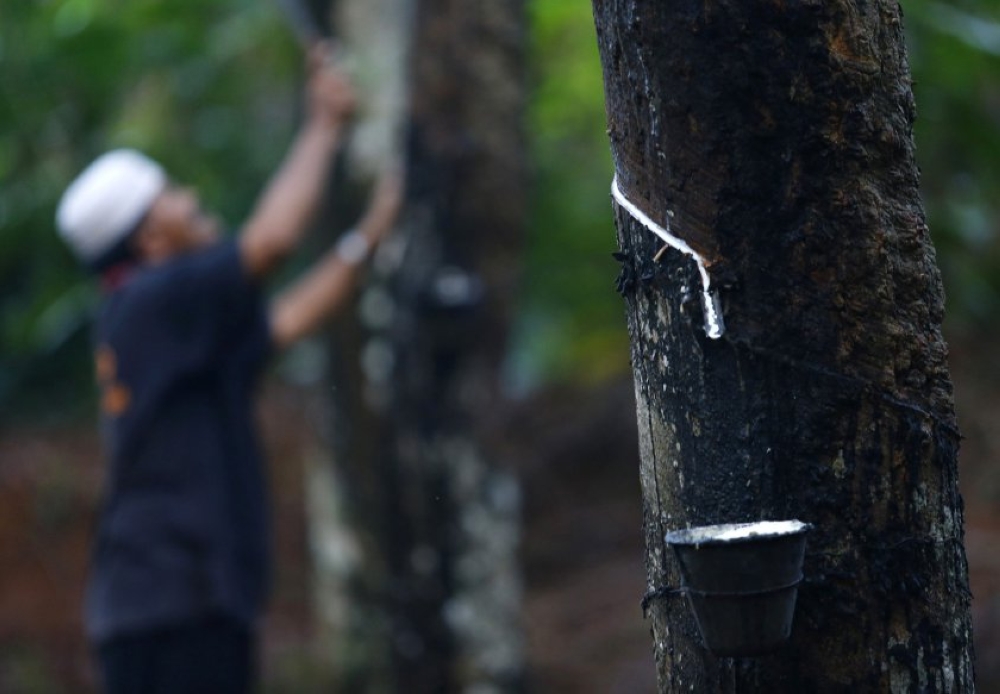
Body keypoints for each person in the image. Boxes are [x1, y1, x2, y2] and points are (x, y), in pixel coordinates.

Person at [54, 45, 401, 694]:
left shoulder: (167, 327)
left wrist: (371, 234)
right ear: (151, 239)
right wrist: (323, 125)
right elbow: (271, 240)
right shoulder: (152, 302)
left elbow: (286, 320)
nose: (191, 201)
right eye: (170, 198)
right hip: (173, 607)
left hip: (187, 606)